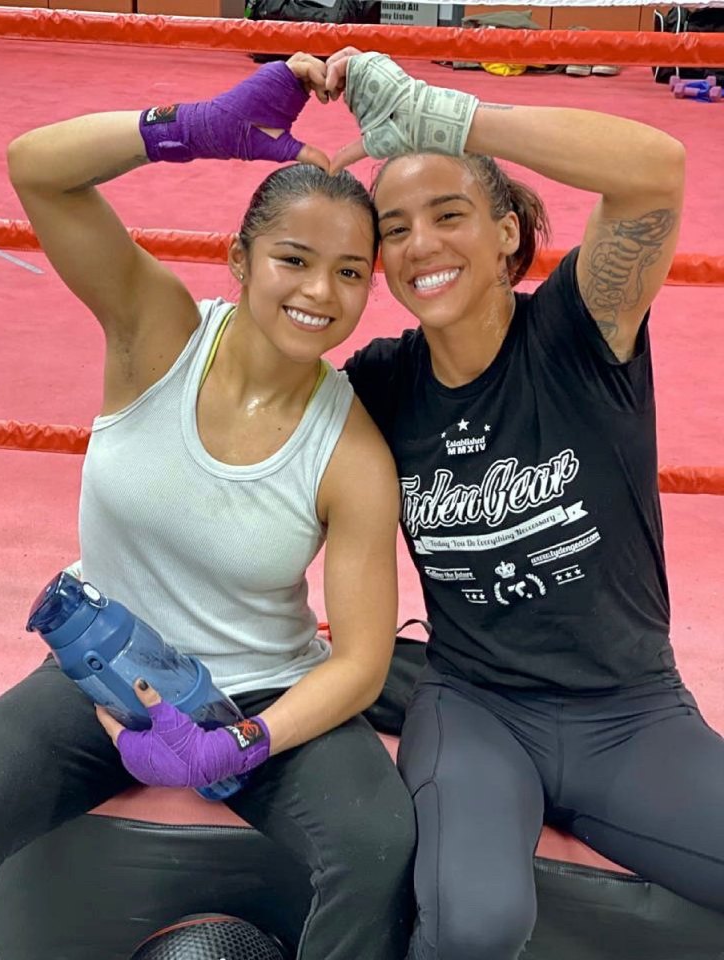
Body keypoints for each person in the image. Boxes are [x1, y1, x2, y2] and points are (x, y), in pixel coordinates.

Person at [0, 54, 416, 960]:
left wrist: (241, 741)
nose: (320, 293)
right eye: (294, 258)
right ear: (241, 259)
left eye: (351, 272)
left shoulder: (353, 451)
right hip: (107, 678)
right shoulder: (157, 332)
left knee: (378, 847)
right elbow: (36, 166)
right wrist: (189, 129)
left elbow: (361, 662)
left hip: (263, 691)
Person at [321, 49, 724, 960]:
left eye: (450, 214)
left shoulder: (579, 332)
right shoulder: (383, 385)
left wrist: (446, 116)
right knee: (477, 927)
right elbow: (256, 397)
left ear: (508, 233)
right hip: (477, 709)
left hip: (632, 714)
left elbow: (657, 171)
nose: (421, 244)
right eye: (395, 229)